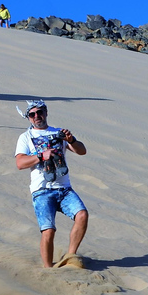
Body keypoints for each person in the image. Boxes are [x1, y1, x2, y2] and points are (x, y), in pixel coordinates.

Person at [15, 100, 89, 268]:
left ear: (46, 112)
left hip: (64, 188)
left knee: (82, 215)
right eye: (32, 114)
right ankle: (48, 269)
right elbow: (20, 163)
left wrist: (72, 140)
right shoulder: (26, 137)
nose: (36, 116)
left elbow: (82, 151)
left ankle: (70, 256)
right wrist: (41, 156)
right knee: (48, 231)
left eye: (39, 112)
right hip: (41, 191)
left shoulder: (58, 132)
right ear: (28, 118)